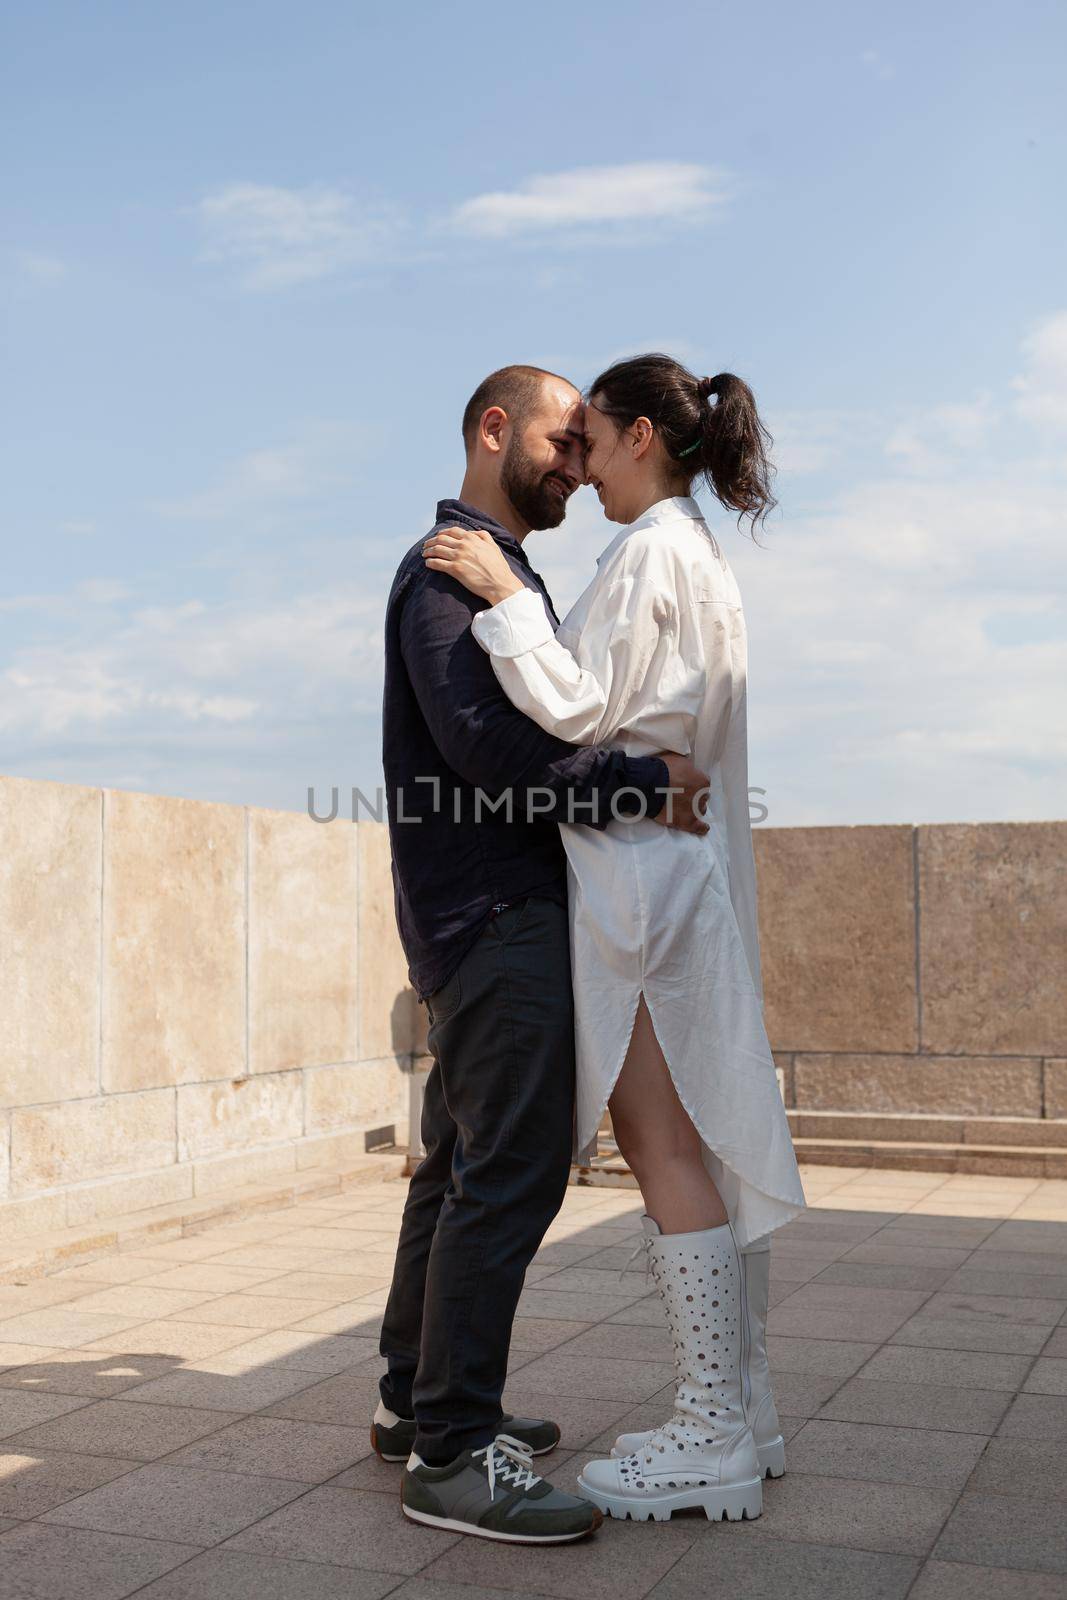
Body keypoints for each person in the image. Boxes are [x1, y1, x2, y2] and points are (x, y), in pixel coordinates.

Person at [422, 352, 808, 1525]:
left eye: (587, 439)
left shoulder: (648, 553)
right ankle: (740, 1409)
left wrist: (501, 596)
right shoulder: (692, 555)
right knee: (689, 1139)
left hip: (636, 888)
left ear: (640, 435)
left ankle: (709, 1432)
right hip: (667, 875)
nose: (576, 468)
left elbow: (581, 710)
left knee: (663, 1151)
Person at [377, 363, 714, 1543]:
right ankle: (454, 1453)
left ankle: (408, 1402)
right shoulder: (445, 577)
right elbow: (496, 759)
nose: (577, 464)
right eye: (562, 443)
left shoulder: (501, 573)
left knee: (460, 1163)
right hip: (492, 915)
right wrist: (642, 787)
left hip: (485, 913)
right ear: (492, 428)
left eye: (585, 447)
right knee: (509, 1173)